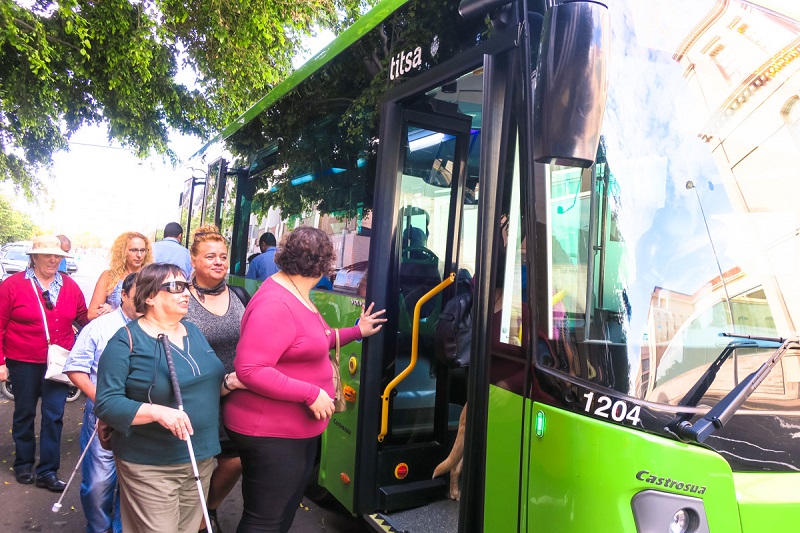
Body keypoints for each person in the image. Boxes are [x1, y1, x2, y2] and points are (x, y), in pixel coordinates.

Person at [224, 226, 387, 532]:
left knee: (282, 514)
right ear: (325, 264)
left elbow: (313, 339)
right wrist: (311, 394)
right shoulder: (276, 302)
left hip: (292, 432)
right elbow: (250, 369)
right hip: (270, 432)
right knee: (265, 520)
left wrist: (356, 331)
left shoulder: (294, 292)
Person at [94, 263, 245, 533]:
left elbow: (205, 384)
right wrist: (158, 412)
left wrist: (230, 382)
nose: (185, 293)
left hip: (201, 457)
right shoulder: (125, 341)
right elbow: (106, 403)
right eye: (174, 287)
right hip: (151, 465)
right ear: (149, 296)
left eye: (185, 286)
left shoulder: (194, 331)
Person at [0, 235, 89, 491]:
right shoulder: (13, 285)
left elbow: (83, 318)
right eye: (47, 255)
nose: (53, 260)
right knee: (24, 412)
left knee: (54, 415)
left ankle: (48, 470)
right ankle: (23, 463)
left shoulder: (70, 286)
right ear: (34, 257)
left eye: (58, 255)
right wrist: (1, 362)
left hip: (59, 362)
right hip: (23, 361)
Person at [185, 225, 249, 533]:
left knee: (235, 459)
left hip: (236, 393)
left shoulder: (239, 294)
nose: (218, 262)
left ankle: (207, 511)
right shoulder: (179, 296)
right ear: (193, 260)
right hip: (195, 396)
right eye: (210, 256)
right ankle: (191, 518)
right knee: (194, 465)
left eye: (223, 256)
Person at [64, 273, 139, 533]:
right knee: (98, 482)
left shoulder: (158, 328)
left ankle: (120, 528)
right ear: (124, 296)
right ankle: (98, 528)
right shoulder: (100, 326)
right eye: (137, 294)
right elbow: (75, 368)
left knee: (133, 480)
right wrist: (106, 401)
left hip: (142, 417)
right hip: (102, 415)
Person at [87, 231, 152, 320]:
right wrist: (108, 311)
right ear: (123, 252)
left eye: (143, 250)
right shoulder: (109, 276)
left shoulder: (152, 277)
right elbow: (91, 314)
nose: (139, 255)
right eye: (134, 250)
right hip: (113, 330)